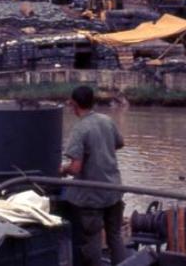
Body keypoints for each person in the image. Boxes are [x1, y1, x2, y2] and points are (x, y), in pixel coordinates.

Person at [59, 85, 127, 266]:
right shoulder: (106, 120)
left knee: (92, 240)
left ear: (73, 104)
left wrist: (62, 169)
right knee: (115, 237)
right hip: (113, 190)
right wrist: (101, 151)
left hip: (92, 197)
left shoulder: (80, 129)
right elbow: (120, 144)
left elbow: (75, 168)